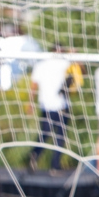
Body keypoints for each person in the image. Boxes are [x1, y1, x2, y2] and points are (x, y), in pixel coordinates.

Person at [27, 45, 76, 173]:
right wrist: (74, 56)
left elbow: (33, 85)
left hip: (48, 105)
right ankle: (53, 165)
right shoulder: (65, 63)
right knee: (58, 136)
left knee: (46, 134)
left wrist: (30, 102)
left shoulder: (41, 64)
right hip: (59, 106)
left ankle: (36, 157)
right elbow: (80, 71)